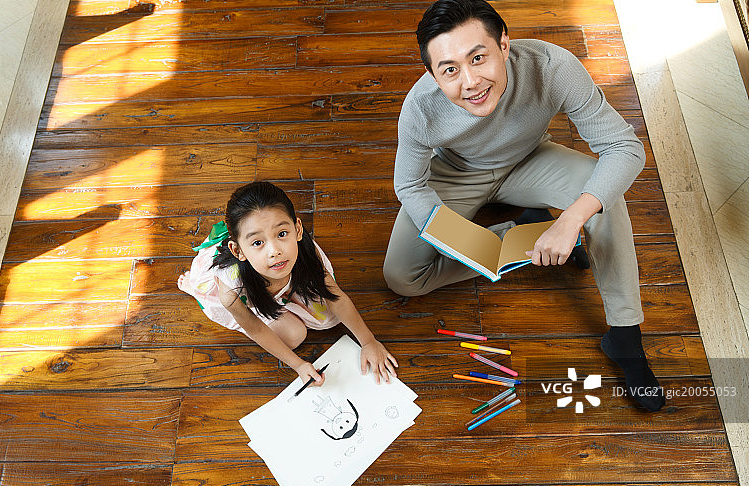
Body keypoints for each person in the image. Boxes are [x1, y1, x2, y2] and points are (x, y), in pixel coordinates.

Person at [383, 0, 664, 411]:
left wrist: (571, 219)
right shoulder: (421, 108)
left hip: (529, 161)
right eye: (449, 70)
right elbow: (409, 183)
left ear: (504, 45)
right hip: (458, 175)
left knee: (604, 197)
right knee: (402, 278)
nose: (471, 81)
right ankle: (524, 231)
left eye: (478, 58)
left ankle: (624, 335)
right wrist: (462, 238)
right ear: (432, 74)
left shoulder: (553, 66)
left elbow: (623, 147)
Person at [178, 181, 398, 385]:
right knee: (293, 336)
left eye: (282, 233)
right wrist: (298, 365)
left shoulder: (304, 252)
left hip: (286, 281)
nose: (275, 251)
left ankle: (284, 291)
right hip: (249, 292)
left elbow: (336, 296)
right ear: (238, 250)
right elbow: (255, 328)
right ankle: (196, 288)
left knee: (328, 318)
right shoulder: (231, 289)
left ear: (298, 229)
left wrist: (368, 341)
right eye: (257, 242)